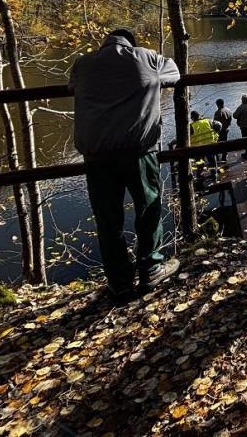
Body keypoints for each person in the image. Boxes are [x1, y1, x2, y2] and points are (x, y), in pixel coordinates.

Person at [68, 28, 180, 301]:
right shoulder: (146, 58)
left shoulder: (83, 63)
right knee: (148, 206)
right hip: (138, 150)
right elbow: (174, 74)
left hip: (96, 155)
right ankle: (150, 267)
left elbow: (71, 86)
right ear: (132, 42)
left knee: (108, 218)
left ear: (105, 43)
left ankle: (119, 281)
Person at [213, 98, 232, 163]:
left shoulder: (218, 112)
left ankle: (217, 157)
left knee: (217, 144)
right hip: (226, 129)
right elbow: (230, 120)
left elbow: (215, 124)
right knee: (225, 142)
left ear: (218, 104)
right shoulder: (228, 110)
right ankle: (224, 156)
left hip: (220, 131)